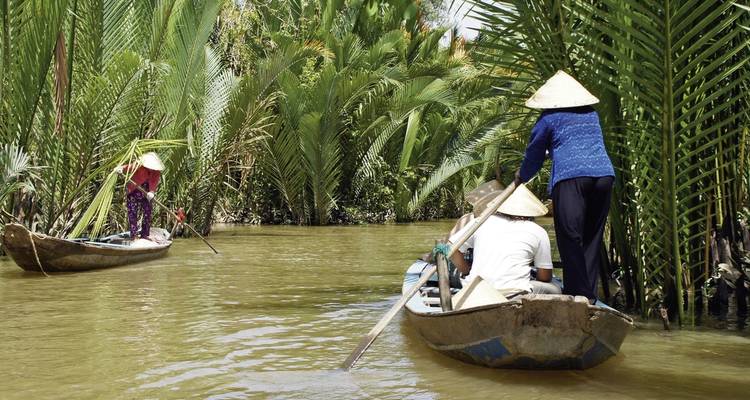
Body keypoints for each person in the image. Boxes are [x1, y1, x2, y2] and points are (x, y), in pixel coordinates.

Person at [514, 70, 615, 302]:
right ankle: (588, 298)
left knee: (570, 237)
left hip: (571, 179)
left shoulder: (548, 119)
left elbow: (534, 154)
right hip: (604, 177)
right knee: (591, 239)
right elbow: (577, 143)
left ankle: (577, 295)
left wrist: (522, 175)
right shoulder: (591, 114)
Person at [448, 183, 560, 295]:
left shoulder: (482, 222)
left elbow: (450, 248)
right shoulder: (538, 231)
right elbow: (544, 277)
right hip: (513, 293)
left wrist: (467, 271)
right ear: (531, 212)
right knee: (556, 289)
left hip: (475, 290)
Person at [114, 152, 164, 241]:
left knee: (147, 213)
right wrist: (120, 169)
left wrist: (151, 192)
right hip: (133, 191)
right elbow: (126, 168)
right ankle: (134, 235)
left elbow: (154, 183)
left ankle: (144, 234)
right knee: (132, 213)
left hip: (147, 194)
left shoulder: (156, 172)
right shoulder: (138, 166)